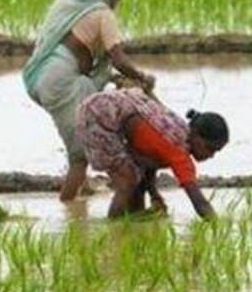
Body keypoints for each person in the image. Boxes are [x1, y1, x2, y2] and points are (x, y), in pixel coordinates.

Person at [22, 0, 156, 202]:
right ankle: (68, 210)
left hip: (50, 76)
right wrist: (141, 77)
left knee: (81, 132)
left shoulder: (80, 11)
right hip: (61, 81)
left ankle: (81, 192)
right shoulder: (103, 14)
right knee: (80, 156)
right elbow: (118, 58)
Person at [75, 88, 229, 219]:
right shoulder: (178, 151)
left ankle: (132, 223)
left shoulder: (178, 132)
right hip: (99, 115)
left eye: (216, 151)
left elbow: (148, 163)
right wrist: (218, 227)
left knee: (136, 176)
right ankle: (115, 229)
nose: (211, 155)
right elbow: (199, 202)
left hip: (102, 106)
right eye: (209, 148)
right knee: (127, 181)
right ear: (195, 134)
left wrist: (154, 194)